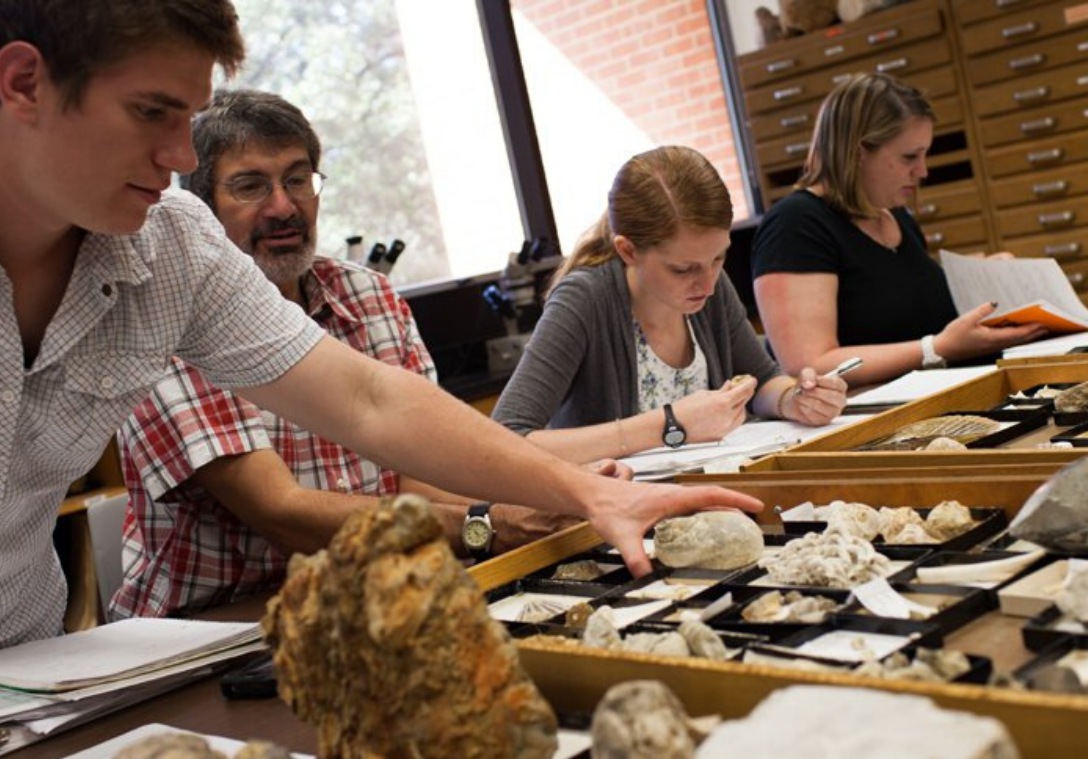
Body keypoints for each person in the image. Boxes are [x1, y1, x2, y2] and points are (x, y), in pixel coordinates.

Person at [0, 2, 761, 759]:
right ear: (25, 81)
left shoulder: (168, 245)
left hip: (18, 696)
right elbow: (282, 502)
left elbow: (366, 402)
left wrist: (591, 492)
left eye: (189, 120)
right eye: (153, 113)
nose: (180, 157)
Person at [112, 89, 585, 620]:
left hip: (365, 596)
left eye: (297, 179)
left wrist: (549, 497)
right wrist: (489, 524)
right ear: (198, 209)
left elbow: (415, 473)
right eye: (251, 186)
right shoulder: (168, 320)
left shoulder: (368, 295)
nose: (284, 206)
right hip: (214, 632)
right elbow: (282, 512)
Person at [492, 146, 847, 465]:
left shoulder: (707, 283)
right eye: (683, 268)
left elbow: (764, 380)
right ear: (628, 251)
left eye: (719, 258)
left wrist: (794, 400)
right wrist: (670, 423)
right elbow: (505, 442)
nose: (707, 283)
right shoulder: (585, 299)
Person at [751, 72, 1045, 388]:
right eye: (909, 157)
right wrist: (935, 349)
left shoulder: (894, 215)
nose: (922, 171)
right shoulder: (795, 224)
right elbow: (808, 365)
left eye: (924, 154)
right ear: (859, 151)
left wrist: (986, 277)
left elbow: (898, 297)